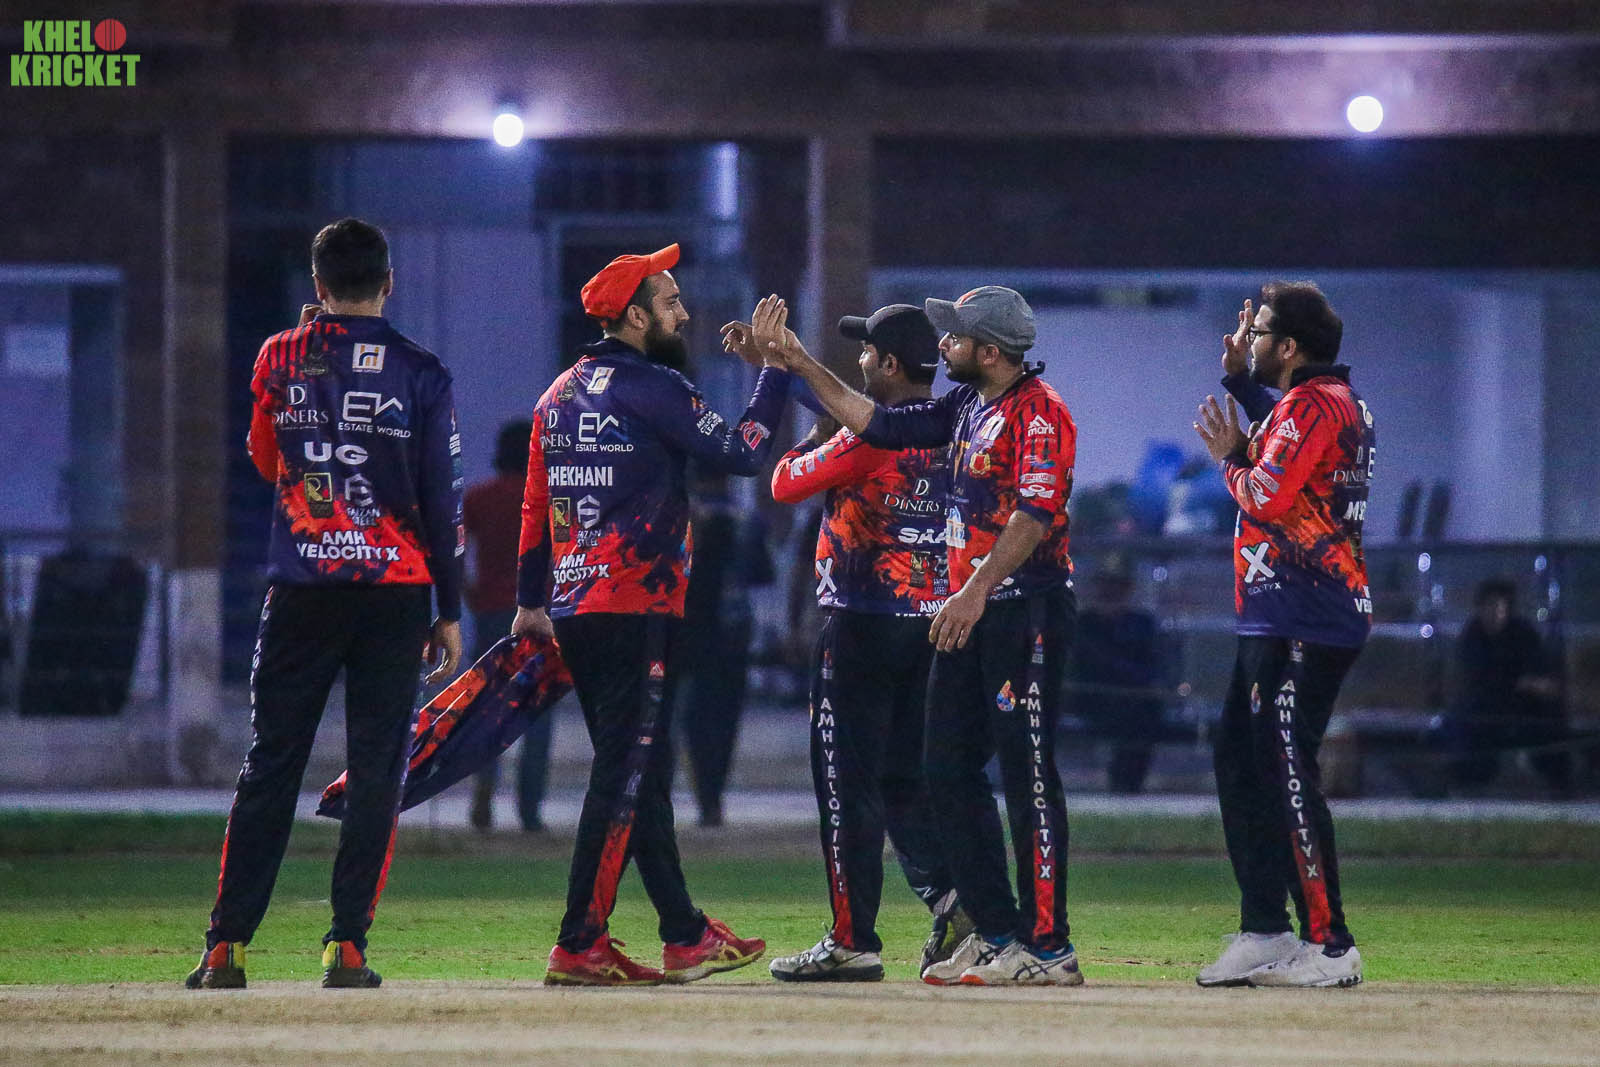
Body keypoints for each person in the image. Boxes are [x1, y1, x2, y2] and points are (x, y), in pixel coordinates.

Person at [755, 286, 1083, 987]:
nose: (944, 345)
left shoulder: (1041, 412)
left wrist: (975, 588)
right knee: (943, 771)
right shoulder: (967, 405)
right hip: (964, 613)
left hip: (1020, 609)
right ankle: (998, 932)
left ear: (989, 351)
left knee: (1026, 776)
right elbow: (878, 423)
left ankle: (1049, 947)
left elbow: (1034, 514)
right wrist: (797, 363)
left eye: (955, 337)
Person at [187, 217, 464, 990]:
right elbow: (440, 498)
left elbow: (264, 457)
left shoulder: (281, 354)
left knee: (271, 762)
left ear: (317, 286)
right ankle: (346, 947)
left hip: (303, 587)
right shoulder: (422, 371)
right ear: (389, 283)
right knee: (377, 771)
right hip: (394, 595)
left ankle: (226, 948)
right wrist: (448, 608)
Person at [513, 243, 777, 986]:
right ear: (634, 316)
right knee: (623, 778)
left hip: (576, 607)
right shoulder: (653, 386)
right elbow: (743, 451)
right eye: (669, 301)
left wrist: (530, 601)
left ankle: (685, 934)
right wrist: (776, 369)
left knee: (643, 770)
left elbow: (536, 507)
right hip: (634, 606)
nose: (682, 313)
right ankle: (579, 941)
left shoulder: (557, 394)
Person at [742, 304, 967, 982]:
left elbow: (785, 483)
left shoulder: (868, 440)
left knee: (846, 785)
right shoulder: (952, 428)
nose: (861, 361)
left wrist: (810, 426)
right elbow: (846, 402)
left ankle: (851, 939)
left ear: (890, 365)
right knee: (903, 780)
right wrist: (783, 372)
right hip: (932, 623)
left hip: (861, 625)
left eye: (867, 353)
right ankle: (954, 899)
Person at [1192, 282, 1374, 988]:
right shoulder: (1323, 402)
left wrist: (1228, 458)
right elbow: (1282, 439)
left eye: (1261, 331)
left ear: (1290, 346)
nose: (1251, 337)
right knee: (1241, 760)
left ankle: (1330, 943)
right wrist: (1240, 379)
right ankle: (1265, 929)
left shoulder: (1314, 404)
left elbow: (1265, 492)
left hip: (1306, 612)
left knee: (1286, 767)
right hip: (1280, 612)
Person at [465, 420, 554, 832]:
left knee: (487, 708)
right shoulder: (548, 499)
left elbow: (455, 550)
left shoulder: (480, 498)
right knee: (537, 713)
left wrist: (468, 592)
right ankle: (530, 809)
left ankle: (483, 794)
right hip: (541, 615)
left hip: (490, 613)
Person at [673, 470, 759, 828]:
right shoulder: (745, 519)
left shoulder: (681, 517)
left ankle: (700, 796)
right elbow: (761, 574)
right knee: (724, 719)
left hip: (689, 629)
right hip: (733, 630)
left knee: (688, 718)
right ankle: (713, 796)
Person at [1440, 578, 1569, 796]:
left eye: (1501, 607)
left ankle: (1559, 786)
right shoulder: (1472, 636)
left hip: (1523, 706)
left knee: (1551, 722)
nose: (1495, 613)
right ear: (1480, 608)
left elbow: (1538, 670)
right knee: (1463, 726)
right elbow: (1478, 679)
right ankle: (1467, 785)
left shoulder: (1523, 632)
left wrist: (1532, 684)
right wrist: (1519, 682)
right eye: (1489, 606)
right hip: (1484, 708)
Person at [1072, 557, 1167, 794]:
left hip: (1133, 695)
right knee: (1131, 709)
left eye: (1117, 585)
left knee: (1145, 711)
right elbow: (1088, 665)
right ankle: (1122, 781)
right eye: (1107, 585)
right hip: (1092, 696)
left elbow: (1151, 662)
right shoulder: (1084, 623)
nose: (1111, 591)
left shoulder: (1141, 623)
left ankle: (1129, 783)